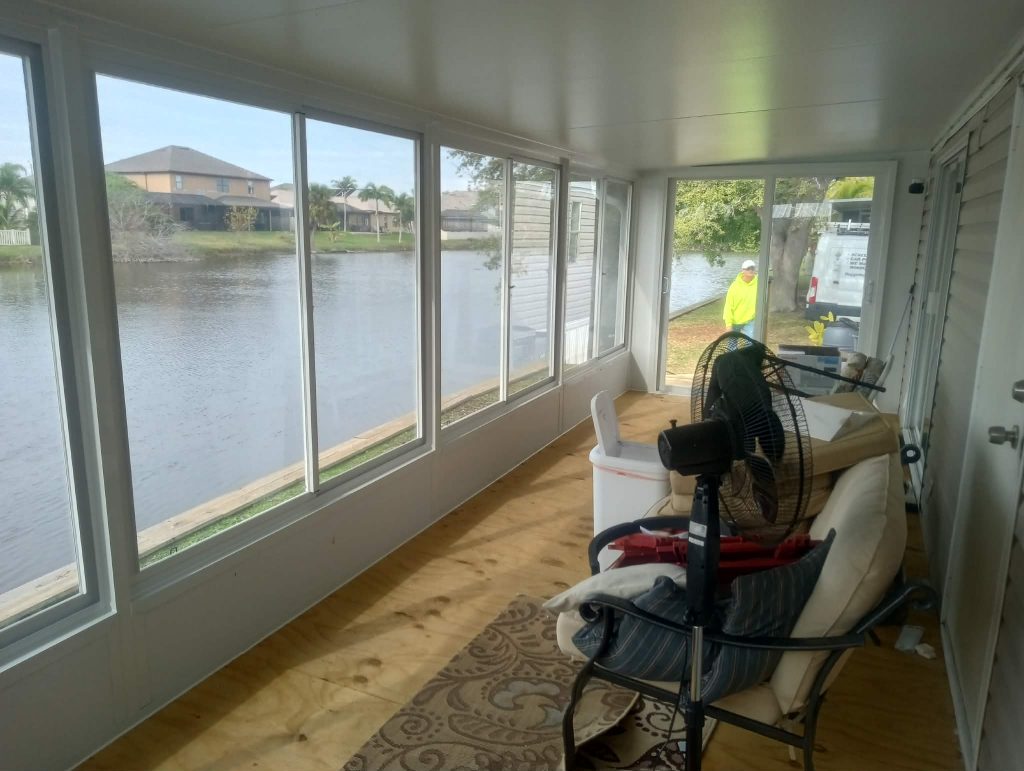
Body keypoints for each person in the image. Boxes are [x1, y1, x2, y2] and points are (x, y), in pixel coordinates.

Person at [723, 259, 758, 338]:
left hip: (751, 320)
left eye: (752, 268)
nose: (751, 270)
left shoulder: (759, 283)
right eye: (748, 268)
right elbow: (728, 307)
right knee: (732, 347)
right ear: (743, 271)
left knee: (750, 343)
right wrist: (728, 325)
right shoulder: (734, 286)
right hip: (736, 322)